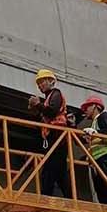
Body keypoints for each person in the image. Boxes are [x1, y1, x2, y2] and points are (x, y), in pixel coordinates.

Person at [28, 69, 71, 198]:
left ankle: (46, 196)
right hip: (53, 135)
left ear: (51, 81)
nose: (40, 86)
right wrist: (36, 107)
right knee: (59, 171)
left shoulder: (55, 94)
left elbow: (52, 112)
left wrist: (38, 105)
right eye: (38, 84)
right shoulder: (48, 98)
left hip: (57, 134)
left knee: (50, 169)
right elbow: (46, 114)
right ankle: (69, 197)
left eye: (42, 82)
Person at [78, 94, 107, 206]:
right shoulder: (93, 124)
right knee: (100, 189)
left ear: (95, 106)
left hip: (104, 157)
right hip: (96, 160)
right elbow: (79, 141)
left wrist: (95, 133)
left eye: (87, 107)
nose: (86, 111)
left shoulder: (103, 116)